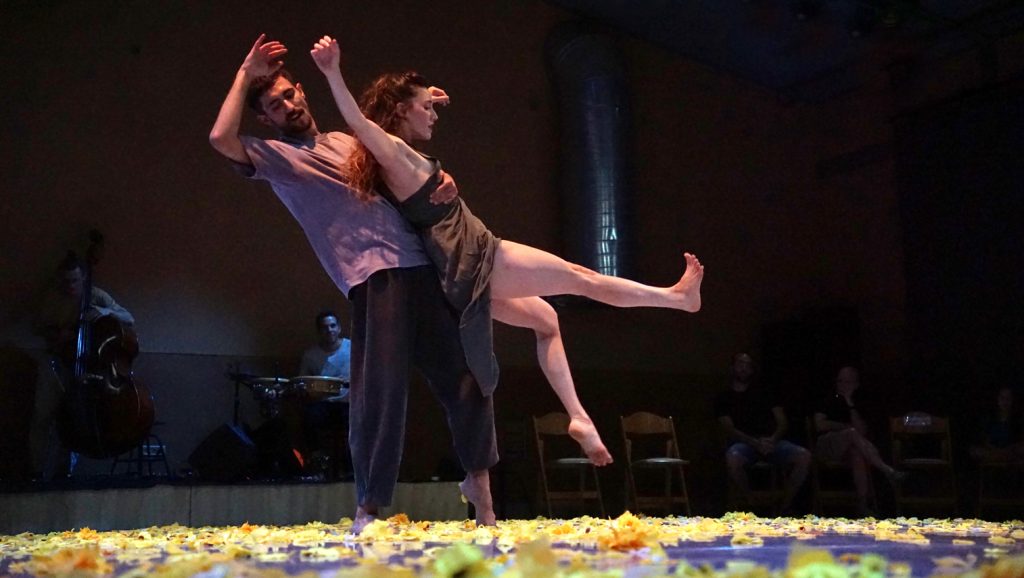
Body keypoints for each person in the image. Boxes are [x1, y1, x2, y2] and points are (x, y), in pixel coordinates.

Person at [309, 35, 705, 467]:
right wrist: (332, 71)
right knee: (581, 278)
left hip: (459, 273)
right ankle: (675, 298)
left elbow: (394, 125)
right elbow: (359, 121)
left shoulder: (401, 153)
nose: (434, 115)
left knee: (547, 321)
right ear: (402, 110)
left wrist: (427, 96)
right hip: (478, 256)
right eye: (426, 108)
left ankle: (579, 418)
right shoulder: (394, 151)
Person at [209, 35, 497, 532]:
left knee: (469, 377)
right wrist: (244, 74)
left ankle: (481, 490)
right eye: (275, 105)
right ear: (267, 119)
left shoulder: (346, 141)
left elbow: (396, 153)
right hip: (375, 277)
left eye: (289, 94)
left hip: (422, 269)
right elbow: (220, 137)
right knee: (379, 394)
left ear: (302, 91)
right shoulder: (278, 158)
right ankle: (368, 508)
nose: (287, 105)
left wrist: (431, 137)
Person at [715, 353, 810, 514]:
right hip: (744, 444)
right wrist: (754, 442)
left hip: (772, 442)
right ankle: (751, 501)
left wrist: (772, 439)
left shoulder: (765, 392)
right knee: (732, 458)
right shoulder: (723, 397)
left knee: (804, 456)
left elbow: (782, 421)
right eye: (740, 364)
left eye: (747, 365)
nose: (743, 368)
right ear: (732, 367)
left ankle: (784, 504)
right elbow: (729, 428)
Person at [812, 366, 905, 516]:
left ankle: (862, 505)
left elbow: (861, 430)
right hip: (827, 445)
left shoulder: (858, 403)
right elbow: (819, 425)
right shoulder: (829, 399)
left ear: (856, 384)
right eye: (840, 381)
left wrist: (850, 403)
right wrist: (844, 427)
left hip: (849, 448)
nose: (842, 385)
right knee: (851, 433)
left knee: (857, 453)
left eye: (847, 382)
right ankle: (887, 470)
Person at [296, 310, 351, 476]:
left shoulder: (353, 348)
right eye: (325, 327)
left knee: (357, 421)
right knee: (309, 418)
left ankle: (350, 467)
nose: (329, 330)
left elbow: (368, 375)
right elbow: (302, 382)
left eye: (333, 326)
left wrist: (352, 380)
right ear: (319, 331)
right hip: (322, 403)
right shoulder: (311, 355)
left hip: (348, 402)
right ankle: (319, 463)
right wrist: (312, 389)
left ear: (339, 328)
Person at [969, 385, 1024, 463]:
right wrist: (995, 449)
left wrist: (1008, 449)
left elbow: (1018, 441)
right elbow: (985, 438)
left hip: (1009, 451)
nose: (1005, 401)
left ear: (1012, 400)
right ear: (998, 399)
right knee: (974, 450)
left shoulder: (1017, 419)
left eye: (1008, 398)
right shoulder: (990, 417)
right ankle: (1000, 457)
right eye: (1002, 398)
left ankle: (999, 458)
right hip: (993, 450)